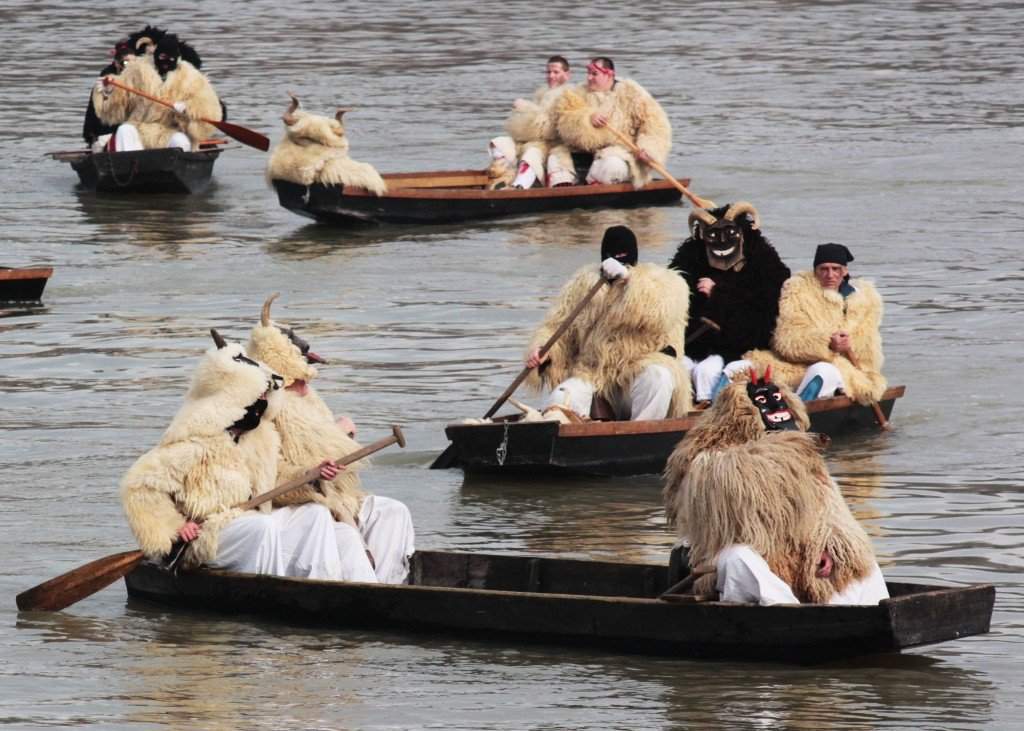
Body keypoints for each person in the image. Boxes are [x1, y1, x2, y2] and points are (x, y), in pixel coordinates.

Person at [120, 331, 371, 581]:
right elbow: (139, 487)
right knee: (262, 526)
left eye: (264, 399)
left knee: (316, 516)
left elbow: (276, 478)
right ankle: (274, 594)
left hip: (251, 519)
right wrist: (174, 527)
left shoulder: (260, 438)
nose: (260, 406)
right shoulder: (195, 441)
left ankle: (335, 586)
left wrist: (310, 474)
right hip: (210, 531)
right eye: (256, 399)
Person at [663, 371, 888, 605]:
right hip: (738, 556)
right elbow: (733, 523)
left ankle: (869, 613)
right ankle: (787, 617)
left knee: (859, 560)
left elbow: (829, 510)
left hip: (801, 555)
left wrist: (826, 546)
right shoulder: (707, 463)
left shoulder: (800, 458)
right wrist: (780, 453)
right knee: (737, 559)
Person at [247, 295, 415, 584]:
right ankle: (365, 594)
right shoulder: (265, 409)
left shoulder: (312, 400)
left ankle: (389, 585)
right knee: (345, 535)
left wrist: (339, 436)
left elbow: (326, 446)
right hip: (296, 504)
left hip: (336, 497)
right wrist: (310, 475)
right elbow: (265, 478)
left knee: (393, 512)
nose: (306, 383)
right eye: (299, 377)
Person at [524, 225, 691, 420]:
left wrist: (629, 280)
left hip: (641, 373)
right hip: (594, 375)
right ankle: (559, 435)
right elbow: (557, 327)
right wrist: (544, 351)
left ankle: (641, 434)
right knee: (563, 395)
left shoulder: (665, 283)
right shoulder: (583, 284)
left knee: (659, 377)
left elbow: (658, 316)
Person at [667, 201, 790, 405]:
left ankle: (708, 409)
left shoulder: (764, 265)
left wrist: (719, 292)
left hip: (743, 345)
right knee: (678, 367)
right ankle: (678, 410)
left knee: (706, 371)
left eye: (730, 234)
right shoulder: (689, 263)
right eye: (714, 236)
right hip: (697, 344)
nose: (722, 243)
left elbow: (764, 309)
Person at [743, 243, 886, 403]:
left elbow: (867, 354)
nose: (830, 275)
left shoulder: (864, 301)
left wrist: (847, 347)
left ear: (844, 271)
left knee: (824, 371)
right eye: (823, 269)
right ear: (815, 271)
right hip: (798, 364)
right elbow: (787, 339)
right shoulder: (797, 291)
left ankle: (798, 418)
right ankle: (719, 416)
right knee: (738, 367)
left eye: (836, 269)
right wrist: (828, 343)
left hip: (847, 370)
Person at [546, 57, 671, 187]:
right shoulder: (577, 93)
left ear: (609, 75)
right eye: (588, 73)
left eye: (594, 74)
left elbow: (655, 126)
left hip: (617, 154)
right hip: (579, 153)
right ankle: (562, 187)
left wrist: (648, 150)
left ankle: (594, 189)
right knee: (555, 159)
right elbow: (564, 117)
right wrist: (587, 118)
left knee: (612, 165)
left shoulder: (632, 94)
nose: (589, 78)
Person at [93, 32, 222, 152]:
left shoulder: (192, 78)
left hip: (170, 131)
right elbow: (117, 105)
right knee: (124, 130)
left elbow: (210, 110)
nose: (166, 62)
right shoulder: (137, 70)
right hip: (140, 127)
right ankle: (133, 167)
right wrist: (110, 91)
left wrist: (188, 108)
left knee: (181, 143)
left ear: (177, 59)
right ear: (156, 56)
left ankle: (172, 169)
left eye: (171, 59)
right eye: (162, 57)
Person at [487, 55, 572, 189]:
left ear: (566, 75)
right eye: (548, 72)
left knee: (531, 153)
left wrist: (527, 107)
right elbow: (534, 121)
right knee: (499, 143)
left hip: (552, 144)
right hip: (533, 139)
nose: (551, 76)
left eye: (556, 72)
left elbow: (549, 128)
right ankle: (499, 176)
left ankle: (519, 185)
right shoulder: (542, 94)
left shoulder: (569, 95)